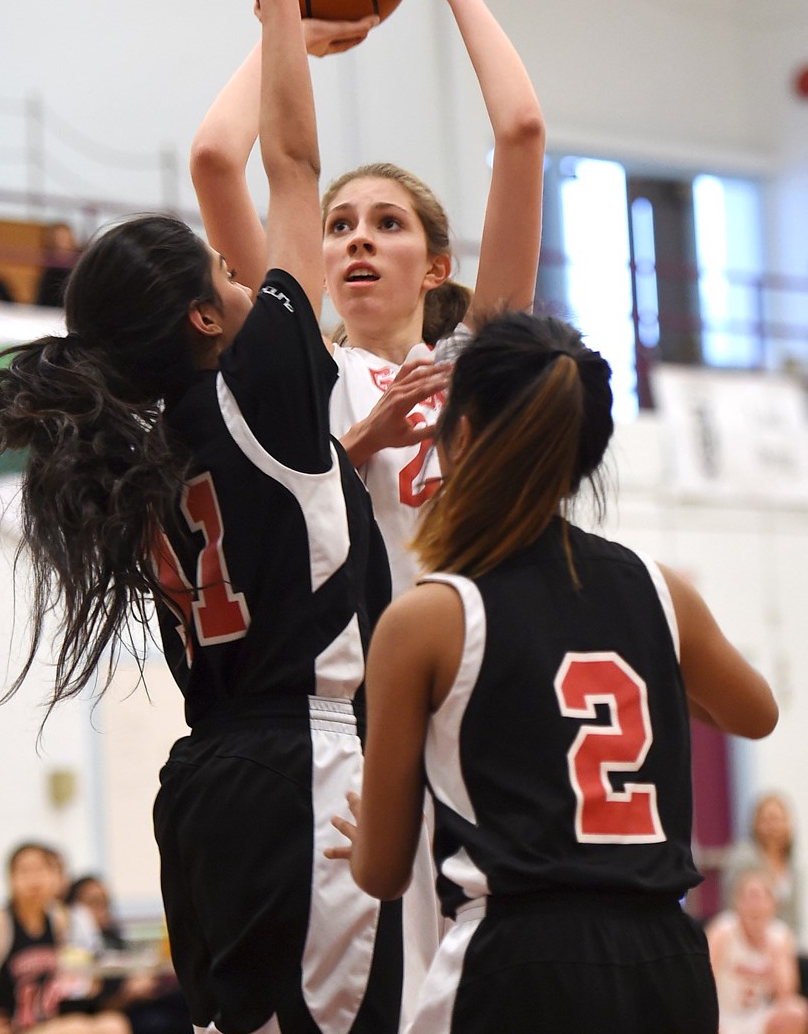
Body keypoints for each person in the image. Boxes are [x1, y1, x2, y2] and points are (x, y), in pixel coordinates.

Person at [0, 0, 398, 1034]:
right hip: (307, 773)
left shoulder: (141, 449)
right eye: (222, 276)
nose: (244, 273)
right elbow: (291, 165)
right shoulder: (258, 376)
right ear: (208, 323)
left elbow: (238, 159)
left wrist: (284, 25)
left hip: (204, 784)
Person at [326, 309, 780, 1033]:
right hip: (667, 960)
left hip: (520, 962)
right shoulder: (663, 590)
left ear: (461, 436)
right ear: (586, 455)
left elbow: (380, 873)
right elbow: (755, 714)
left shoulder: (426, 619)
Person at [190, 0, 545, 598]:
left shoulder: (473, 361)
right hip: (355, 685)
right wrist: (289, 23)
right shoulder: (300, 361)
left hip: (479, 672)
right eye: (340, 224)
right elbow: (215, 159)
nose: (359, 239)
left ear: (435, 267)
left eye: (388, 224)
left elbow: (522, 130)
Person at [0, 843, 128, 1034]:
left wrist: (80, 982)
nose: (33, 879)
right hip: (7, 1026)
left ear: (56, 877)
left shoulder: (60, 920)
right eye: (24, 871)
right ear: (10, 879)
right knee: (76, 1029)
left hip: (43, 1022)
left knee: (112, 1024)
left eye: (41, 870)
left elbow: (65, 975)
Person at [65, 877, 190, 1034]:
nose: (102, 909)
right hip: (119, 1009)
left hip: (140, 1000)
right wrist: (128, 994)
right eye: (93, 902)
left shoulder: (111, 937)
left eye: (105, 902)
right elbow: (91, 1004)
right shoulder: (75, 947)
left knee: (187, 998)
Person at [707, 869, 808, 1034]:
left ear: (773, 904)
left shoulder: (780, 936)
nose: (755, 905)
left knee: (797, 1012)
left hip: (758, 1017)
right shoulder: (723, 930)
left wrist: (773, 955)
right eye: (750, 897)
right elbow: (701, 983)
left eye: (762, 897)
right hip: (721, 1016)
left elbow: (787, 995)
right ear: (737, 903)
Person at [724, 794, 803, 942]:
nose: (774, 826)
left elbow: (796, 914)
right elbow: (731, 905)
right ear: (756, 823)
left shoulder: (794, 864)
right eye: (768, 820)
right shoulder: (744, 858)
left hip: (785, 943)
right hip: (748, 941)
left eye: (778, 819)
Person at [35, 224, 80, 308]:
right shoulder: (49, 272)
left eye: (65, 238)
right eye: (59, 238)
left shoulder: (79, 266)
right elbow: (42, 301)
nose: (63, 242)